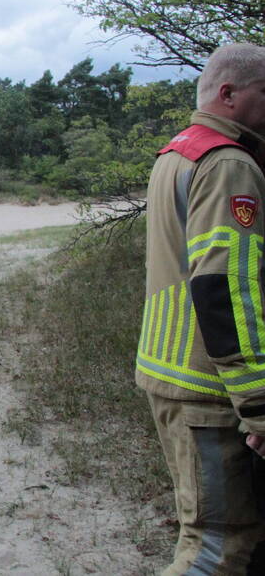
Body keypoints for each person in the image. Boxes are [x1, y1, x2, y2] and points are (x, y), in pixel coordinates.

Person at [139, 43, 265, 573]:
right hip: (210, 390)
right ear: (229, 94)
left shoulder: (178, 153)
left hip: (176, 375)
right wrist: (258, 401)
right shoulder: (228, 163)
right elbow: (225, 287)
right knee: (218, 546)